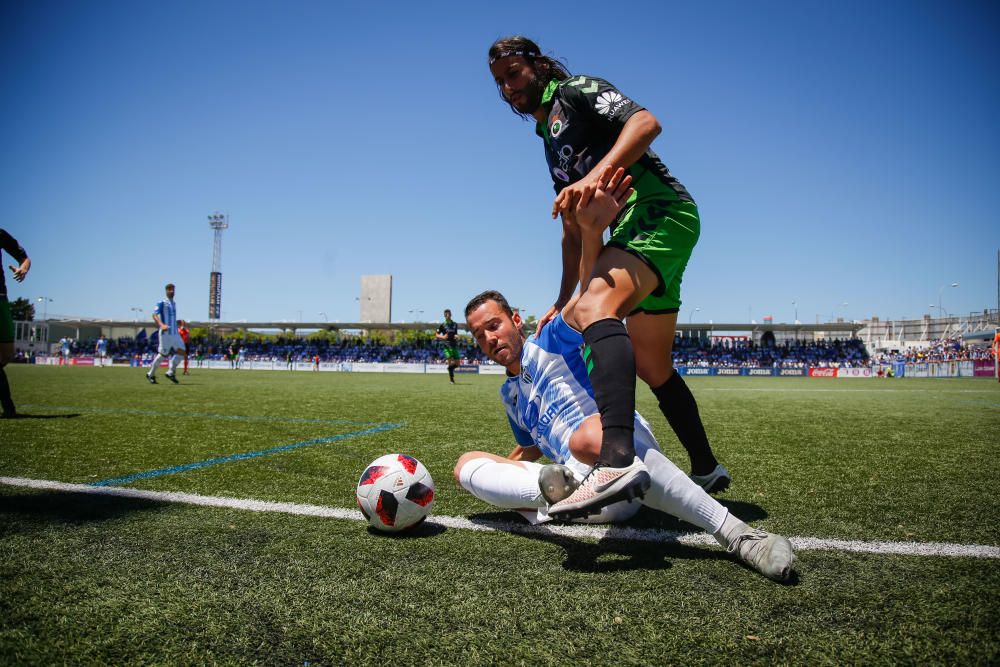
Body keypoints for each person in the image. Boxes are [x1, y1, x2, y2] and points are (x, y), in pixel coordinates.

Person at [488, 36, 730, 518]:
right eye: (500, 84)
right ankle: (706, 467)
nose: (509, 89)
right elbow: (573, 226)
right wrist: (560, 297)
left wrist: (592, 176)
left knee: (596, 307)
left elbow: (646, 123)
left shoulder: (577, 90)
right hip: (639, 230)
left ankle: (615, 459)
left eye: (513, 74)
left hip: (660, 213)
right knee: (651, 365)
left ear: (537, 65)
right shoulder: (548, 141)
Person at [458, 288, 795, 582]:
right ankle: (556, 495)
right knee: (465, 465)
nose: (489, 338)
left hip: (618, 447)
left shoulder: (551, 338)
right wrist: (494, 467)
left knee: (585, 438)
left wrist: (568, 292)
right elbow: (527, 451)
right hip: (586, 489)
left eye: (494, 325)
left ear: (516, 320)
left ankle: (739, 535)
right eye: (479, 335)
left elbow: (591, 302)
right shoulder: (510, 396)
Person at [0, 229, 31, 418]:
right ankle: (8, 407)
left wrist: (24, 268)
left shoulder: (1, 234)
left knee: (7, 354)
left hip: (0, 297)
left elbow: (24, 257)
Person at [146, 283, 183, 384]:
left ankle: (171, 372)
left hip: (175, 333)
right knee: (163, 355)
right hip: (165, 333)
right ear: (166, 291)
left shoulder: (174, 303)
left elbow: (171, 318)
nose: (172, 291)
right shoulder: (162, 302)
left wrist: (178, 323)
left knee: (182, 351)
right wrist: (161, 325)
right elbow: (154, 315)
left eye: (173, 290)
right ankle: (150, 374)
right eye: (170, 290)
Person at [436, 309, 461, 383]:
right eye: (446, 314)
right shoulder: (442, 325)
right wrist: (442, 337)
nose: (447, 315)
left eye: (449, 314)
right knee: (450, 360)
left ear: (451, 314)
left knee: (457, 364)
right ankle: (451, 380)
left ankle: (450, 369)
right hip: (447, 345)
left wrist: (457, 336)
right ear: (444, 316)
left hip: (454, 345)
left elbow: (455, 333)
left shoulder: (455, 324)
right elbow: (436, 334)